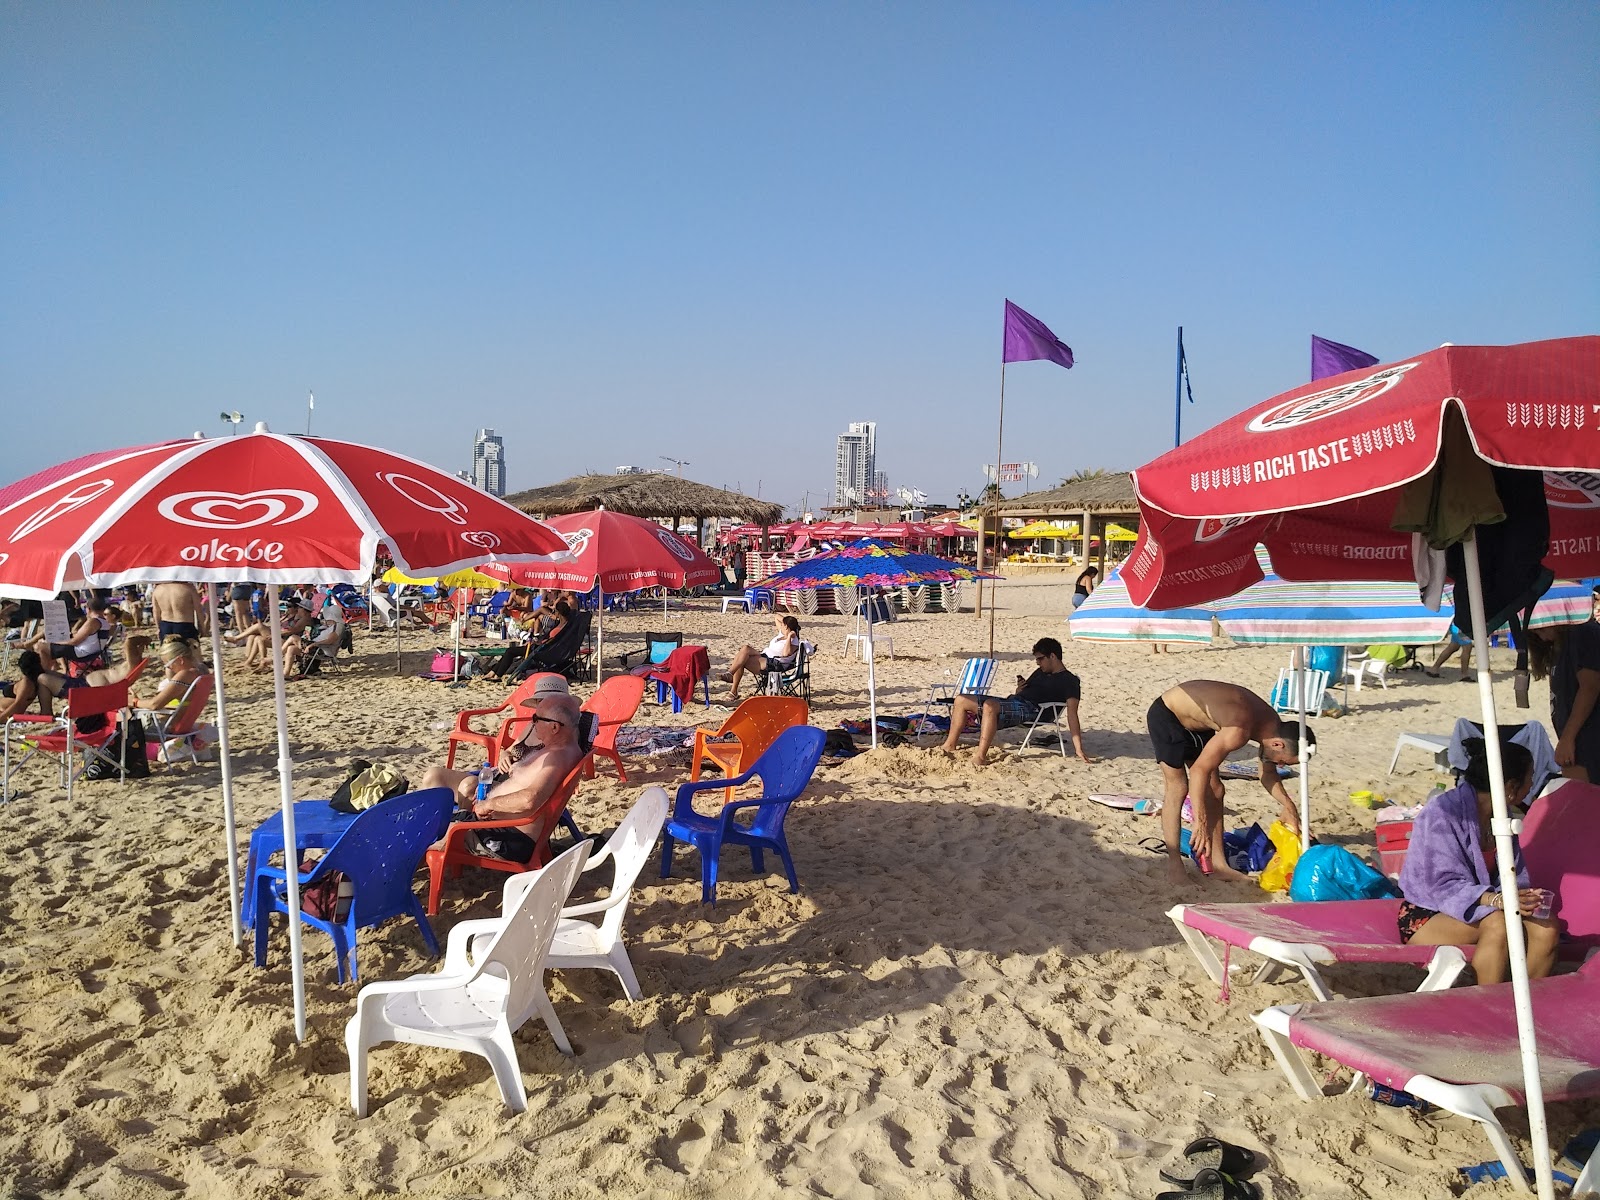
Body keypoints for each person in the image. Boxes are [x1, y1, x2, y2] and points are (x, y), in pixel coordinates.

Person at [1398, 741, 1559, 985]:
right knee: (1497, 923)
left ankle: (1525, 1006)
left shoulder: (1502, 818)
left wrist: (1522, 896)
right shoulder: (1443, 813)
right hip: (1428, 912)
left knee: (1547, 927)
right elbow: (1441, 884)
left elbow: (1512, 876)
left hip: (1487, 906)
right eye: (1530, 779)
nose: (1531, 787)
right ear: (1511, 788)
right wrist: (1495, 900)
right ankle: (1489, 1006)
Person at [1147, 681, 1314, 884]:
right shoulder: (1239, 731)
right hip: (1168, 714)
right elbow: (1200, 770)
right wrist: (1200, 822)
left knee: (1216, 789)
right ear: (1277, 744)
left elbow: (1268, 774)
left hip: (1200, 722)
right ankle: (1175, 866)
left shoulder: (1273, 726)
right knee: (1178, 787)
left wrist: (1289, 805)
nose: (1278, 764)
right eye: (1282, 761)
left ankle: (1219, 865)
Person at [419, 691, 586, 863]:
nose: (533, 723)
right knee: (427, 822)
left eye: (537, 719)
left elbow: (530, 799)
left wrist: (488, 804)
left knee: (421, 834)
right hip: (499, 827)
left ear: (554, 727)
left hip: (505, 836)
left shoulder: (556, 758)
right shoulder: (560, 749)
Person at [940, 637, 1092, 764]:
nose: (1038, 663)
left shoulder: (1069, 680)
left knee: (990, 705)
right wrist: (1020, 689)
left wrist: (1078, 748)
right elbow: (1026, 691)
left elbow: (1073, 714)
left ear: (1053, 656)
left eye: (1040, 659)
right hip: (1017, 702)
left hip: (1035, 710)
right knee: (960, 700)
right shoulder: (1041, 672)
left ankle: (981, 756)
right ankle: (949, 745)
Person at [1531, 586, 1600, 783]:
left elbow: (1590, 687)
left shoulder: (1582, 633)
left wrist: (1567, 739)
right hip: (1578, 739)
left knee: (1584, 806)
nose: (1538, 632)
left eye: (1541, 626)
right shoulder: (1562, 643)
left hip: (1588, 740)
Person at [0, 637, 154, 723]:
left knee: (41, 677)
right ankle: (44, 708)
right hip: (83, 686)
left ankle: (45, 711)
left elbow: (129, 642)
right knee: (43, 675)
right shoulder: (130, 667)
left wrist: (139, 640)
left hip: (82, 690)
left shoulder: (131, 665)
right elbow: (130, 644)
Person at [722, 613, 800, 701]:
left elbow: (786, 653)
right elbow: (777, 616)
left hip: (775, 664)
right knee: (745, 649)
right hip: (765, 657)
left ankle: (732, 688)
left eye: (783, 624)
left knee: (741, 660)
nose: (780, 625)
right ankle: (730, 675)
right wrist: (791, 624)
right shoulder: (782, 633)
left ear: (786, 627)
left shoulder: (794, 641)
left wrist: (789, 636)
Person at [30, 596, 113, 670]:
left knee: (40, 647)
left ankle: (45, 674)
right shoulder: (105, 621)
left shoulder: (93, 621)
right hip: (93, 652)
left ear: (88, 609)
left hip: (82, 653)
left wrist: (54, 641)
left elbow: (74, 642)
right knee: (48, 646)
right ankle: (52, 669)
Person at [130, 637, 208, 713]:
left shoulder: (185, 675)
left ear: (180, 660)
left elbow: (155, 704)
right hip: (185, 719)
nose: (168, 668)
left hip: (169, 723)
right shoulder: (201, 670)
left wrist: (134, 701)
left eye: (168, 664)